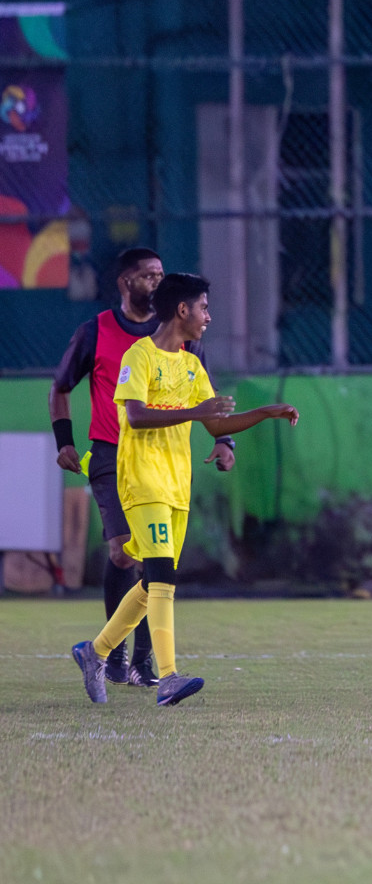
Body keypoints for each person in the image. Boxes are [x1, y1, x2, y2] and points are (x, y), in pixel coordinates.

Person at [71, 273, 299, 706]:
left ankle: (94, 651)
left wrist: (266, 413)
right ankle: (170, 676)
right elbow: (136, 416)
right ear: (182, 310)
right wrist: (194, 410)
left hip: (177, 483)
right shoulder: (139, 356)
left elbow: (214, 422)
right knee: (163, 579)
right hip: (143, 479)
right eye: (205, 308)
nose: (208, 317)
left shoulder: (191, 364)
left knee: (151, 583)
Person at [50, 248, 235, 688]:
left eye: (160, 275)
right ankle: (125, 661)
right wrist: (64, 442)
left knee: (150, 564)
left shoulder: (185, 343)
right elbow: (60, 388)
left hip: (167, 462)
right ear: (124, 282)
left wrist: (224, 438)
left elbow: (206, 402)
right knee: (125, 554)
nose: (155, 281)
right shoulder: (98, 332)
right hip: (113, 456)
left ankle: (123, 657)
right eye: (146, 275)